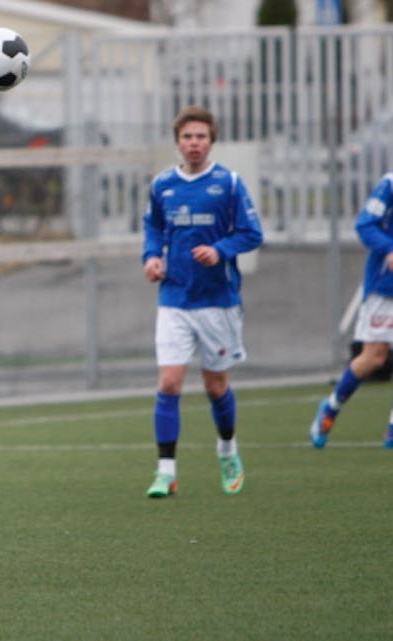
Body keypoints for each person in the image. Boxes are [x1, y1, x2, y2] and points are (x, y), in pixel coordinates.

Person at [141, 105, 264, 499]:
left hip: (217, 300)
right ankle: (166, 472)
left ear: (212, 141)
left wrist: (220, 250)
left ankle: (227, 450)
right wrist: (151, 257)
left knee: (215, 386)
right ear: (177, 142)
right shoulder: (163, 185)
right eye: (187, 137)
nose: (194, 143)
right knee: (169, 381)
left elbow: (251, 232)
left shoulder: (228, 184)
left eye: (201, 137)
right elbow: (153, 227)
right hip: (174, 297)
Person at [309, 172, 393, 449]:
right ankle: (331, 407)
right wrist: (390, 248)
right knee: (374, 357)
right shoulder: (390, 184)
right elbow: (366, 225)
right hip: (386, 288)